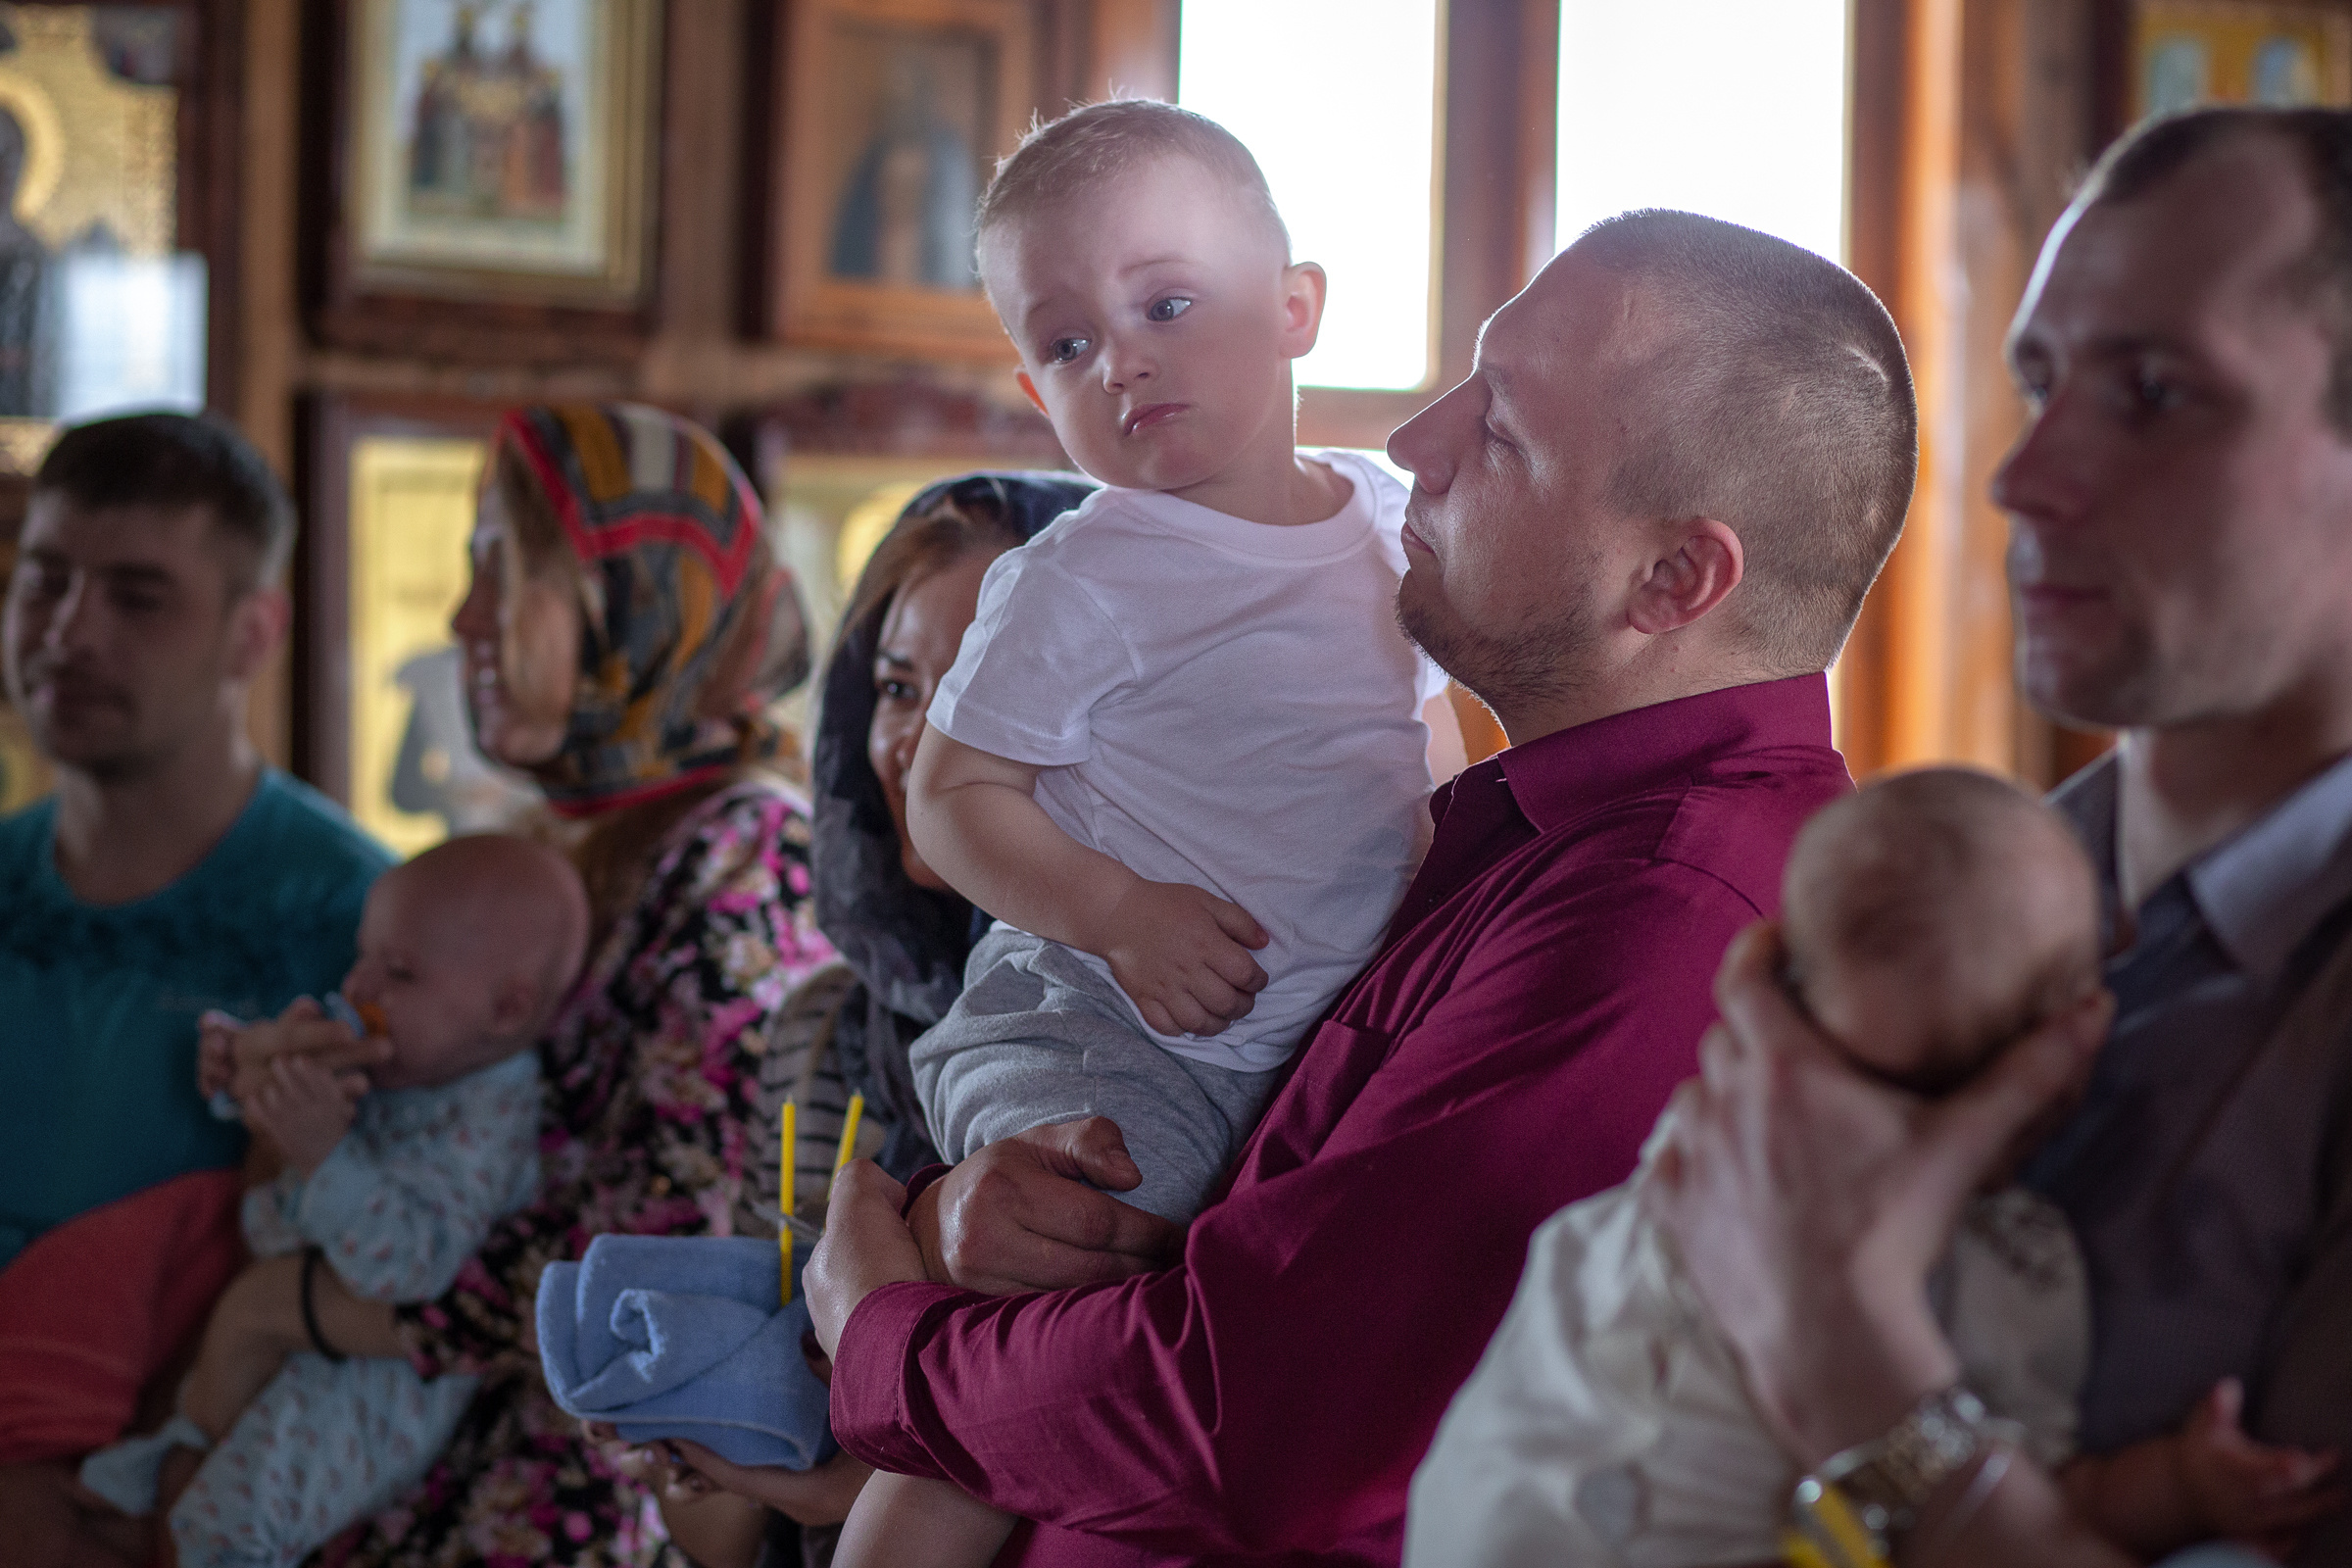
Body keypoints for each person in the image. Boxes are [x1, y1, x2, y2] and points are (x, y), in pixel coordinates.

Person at [804, 204, 1916, 1566]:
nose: (1412, 444)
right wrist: (984, 1205)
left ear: (1674, 576)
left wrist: (888, 1340)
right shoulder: (1500, 829)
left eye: (1499, 431)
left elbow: (1240, 1415)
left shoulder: (1669, 923)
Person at [1650, 104, 2352, 1568]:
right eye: (2041, 381)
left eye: (2156, 393)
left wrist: (1852, 1363)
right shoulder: (1958, 893)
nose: (2022, 479)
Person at [833, 101, 1447, 1567]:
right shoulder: (1084, 573)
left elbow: (1423, 743)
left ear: (1296, 308)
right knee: (1072, 1343)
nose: (1121, 360)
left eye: (1166, 302)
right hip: (1106, 1024)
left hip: (1287, 1035)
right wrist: (1119, 913)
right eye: (1064, 344)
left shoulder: (1393, 526)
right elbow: (950, 796)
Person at [162, 403, 838, 1568]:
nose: (463, 615)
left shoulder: (748, 864)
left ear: (639, 605)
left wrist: (286, 1308)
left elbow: (664, 1269)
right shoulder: (564, 843)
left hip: (578, 1507)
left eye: (506, 569)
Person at [1413, 768, 2339, 1564]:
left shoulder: (1698, 1159)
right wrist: (2178, 1482)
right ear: (2066, 1047)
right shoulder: (2003, 1278)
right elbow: (2053, 1500)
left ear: (1774, 979)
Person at [574, 471, 1099, 1568]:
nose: (916, 742)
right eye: (900, 687)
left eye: (977, 686)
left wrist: (864, 1479)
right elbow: (726, 1531)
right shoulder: (826, 1030)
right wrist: (708, 1436)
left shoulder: (1172, 1040)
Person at [0, 413, 391, 1554]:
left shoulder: (364, 923)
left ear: (251, 633)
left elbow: (391, 1263)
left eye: (137, 596)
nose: (70, 631)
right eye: (45, 581)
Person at [80, 834, 587, 1568]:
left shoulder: (490, 1121)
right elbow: (291, 1098)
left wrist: (322, 1152)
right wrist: (247, 1073)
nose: (359, 987)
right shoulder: (415, 1049)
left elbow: (409, 1273)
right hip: (298, 1319)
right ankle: (175, 1451)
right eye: (364, 954)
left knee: (224, 1531)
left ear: (506, 1011)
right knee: (191, 1470)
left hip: (374, 1388)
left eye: (400, 971)